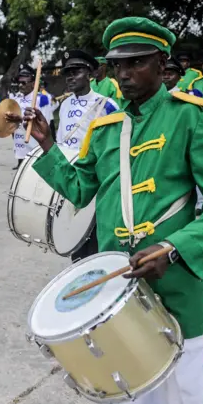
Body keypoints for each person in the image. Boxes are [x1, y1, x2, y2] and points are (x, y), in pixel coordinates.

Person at [24, 17, 203, 403]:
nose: (124, 74)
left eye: (136, 63)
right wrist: (48, 146)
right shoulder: (105, 129)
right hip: (117, 287)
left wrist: (173, 248)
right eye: (117, 66)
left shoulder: (192, 116)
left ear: (162, 64)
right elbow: (79, 190)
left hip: (176, 283)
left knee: (186, 391)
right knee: (133, 387)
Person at [56, 50, 119, 260]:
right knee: (75, 232)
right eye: (68, 73)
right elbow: (61, 140)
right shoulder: (64, 105)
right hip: (72, 175)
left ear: (90, 73)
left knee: (96, 234)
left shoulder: (107, 104)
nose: (71, 77)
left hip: (96, 177)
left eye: (77, 72)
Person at [6, 64, 54, 169]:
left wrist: (21, 120)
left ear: (33, 83)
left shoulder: (41, 99)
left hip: (35, 148)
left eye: (24, 83)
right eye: (19, 82)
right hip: (20, 147)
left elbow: (45, 126)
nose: (20, 85)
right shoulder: (16, 99)